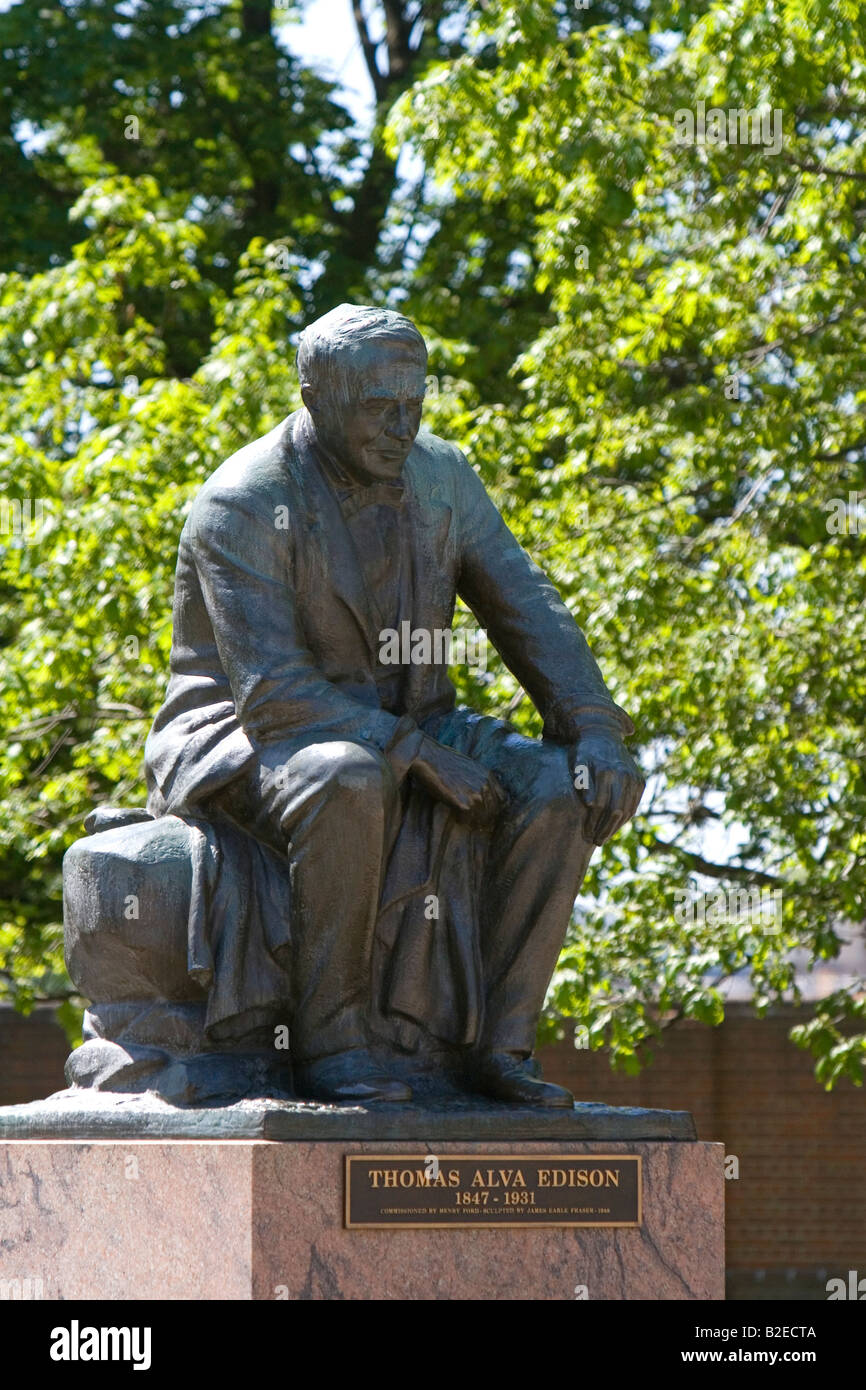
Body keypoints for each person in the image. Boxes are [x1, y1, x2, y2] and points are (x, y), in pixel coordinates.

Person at [144, 304, 644, 1106]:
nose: (401, 425)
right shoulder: (242, 502)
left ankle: (498, 1047)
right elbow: (271, 691)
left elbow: (528, 605)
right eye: (380, 407)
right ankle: (329, 1040)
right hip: (251, 734)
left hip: (412, 717)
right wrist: (409, 753)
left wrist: (594, 727)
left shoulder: (442, 475)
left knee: (557, 789)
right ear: (315, 395)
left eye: (413, 404)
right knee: (349, 779)